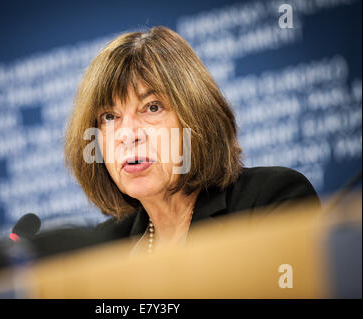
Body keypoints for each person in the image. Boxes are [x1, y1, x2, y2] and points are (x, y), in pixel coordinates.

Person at [64, 26, 320, 254]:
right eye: (110, 116)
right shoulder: (105, 248)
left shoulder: (270, 199)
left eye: (152, 108)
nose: (128, 135)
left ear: (195, 117)